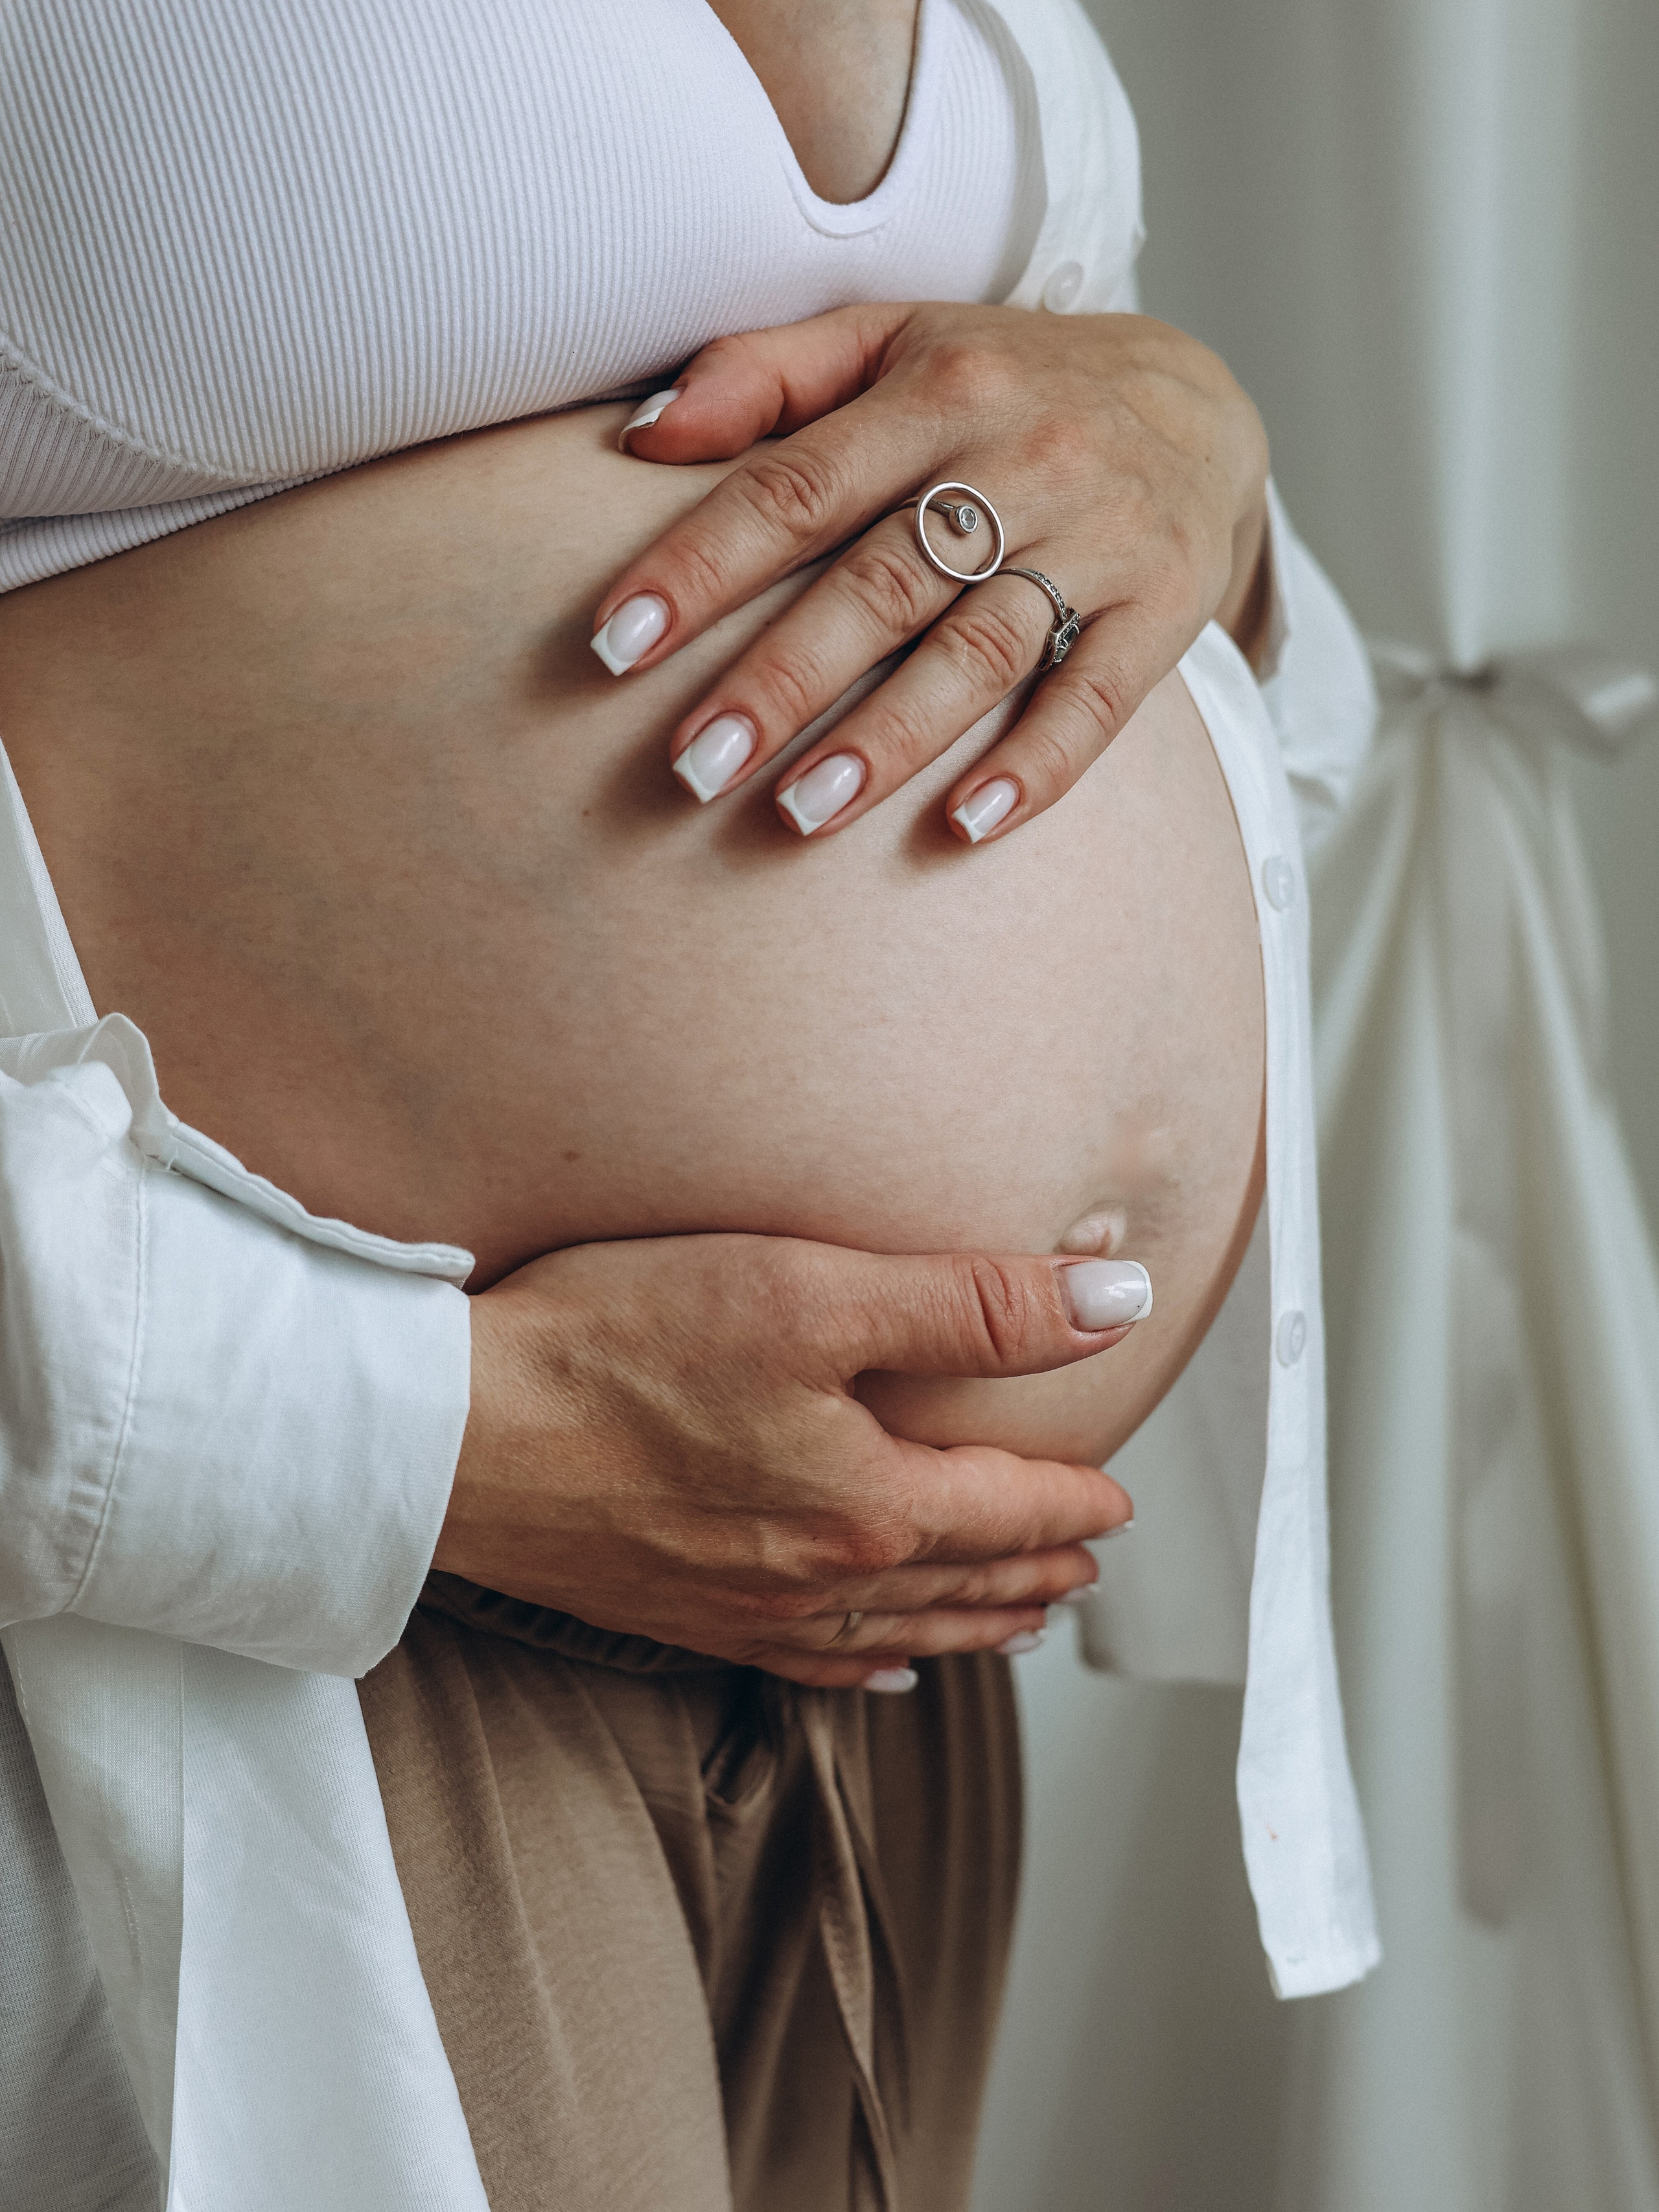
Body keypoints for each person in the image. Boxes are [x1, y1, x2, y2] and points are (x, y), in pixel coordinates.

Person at [0, 1, 1378, 2206]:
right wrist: (409, 1431)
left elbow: (1108, 642)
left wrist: (1202, 464)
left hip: (861, 1651)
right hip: (286, 1627)